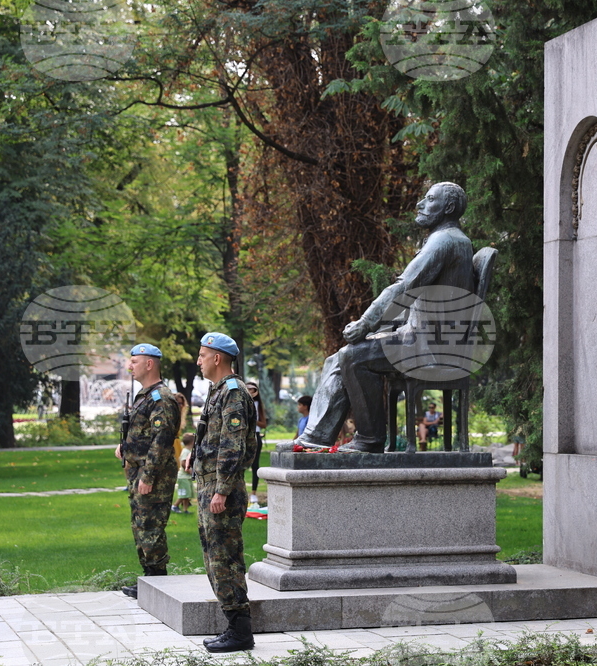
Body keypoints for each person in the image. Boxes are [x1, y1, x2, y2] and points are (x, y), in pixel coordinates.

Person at [295, 182, 474, 453]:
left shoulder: (445, 240)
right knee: (339, 357)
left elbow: (403, 288)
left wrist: (367, 323)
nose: (420, 205)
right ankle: (313, 439)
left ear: (448, 207)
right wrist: (381, 330)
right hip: (423, 337)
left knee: (353, 357)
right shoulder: (449, 239)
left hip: (432, 346)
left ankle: (369, 439)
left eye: (429, 199)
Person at [194, 332, 257, 653]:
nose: (198, 361)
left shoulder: (233, 393)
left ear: (217, 358)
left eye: (202, 355)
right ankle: (233, 626)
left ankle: (240, 631)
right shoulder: (218, 392)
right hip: (210, 488)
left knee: (226, 560)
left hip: (223, 492)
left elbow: (233, 447)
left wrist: (221, 491)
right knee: (214, 559)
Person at [113, 343, 180, 599]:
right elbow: (145, 433)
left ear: (149, 364)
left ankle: (156, 582)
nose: (130, 366)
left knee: (150, 527)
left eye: (134, 362)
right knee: (140, 525)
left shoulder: (160, 397)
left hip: (153, 474)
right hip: (138, 471)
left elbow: (162, 440)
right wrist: (126, 446)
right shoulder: (145, 394)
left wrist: (148, 475)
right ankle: (149, 580)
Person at [246, 380, 267, 509]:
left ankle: (253, 493)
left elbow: (264, 424)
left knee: (255, 465)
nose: (250, 391)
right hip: (243, 436)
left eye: (252, 389)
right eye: (247, 389)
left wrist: (253, 419)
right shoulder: (241, 403)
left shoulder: (258, 405)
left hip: (255, 435)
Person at [173, 432, 196, 514]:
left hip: (187, 477)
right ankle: (175, 506)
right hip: (183, 477)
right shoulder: (185, 451)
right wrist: (189, 470)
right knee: (183, 494)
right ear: (192, 442)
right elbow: (183, 462)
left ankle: (185, 510)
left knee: (187, 494)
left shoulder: (188, 451)